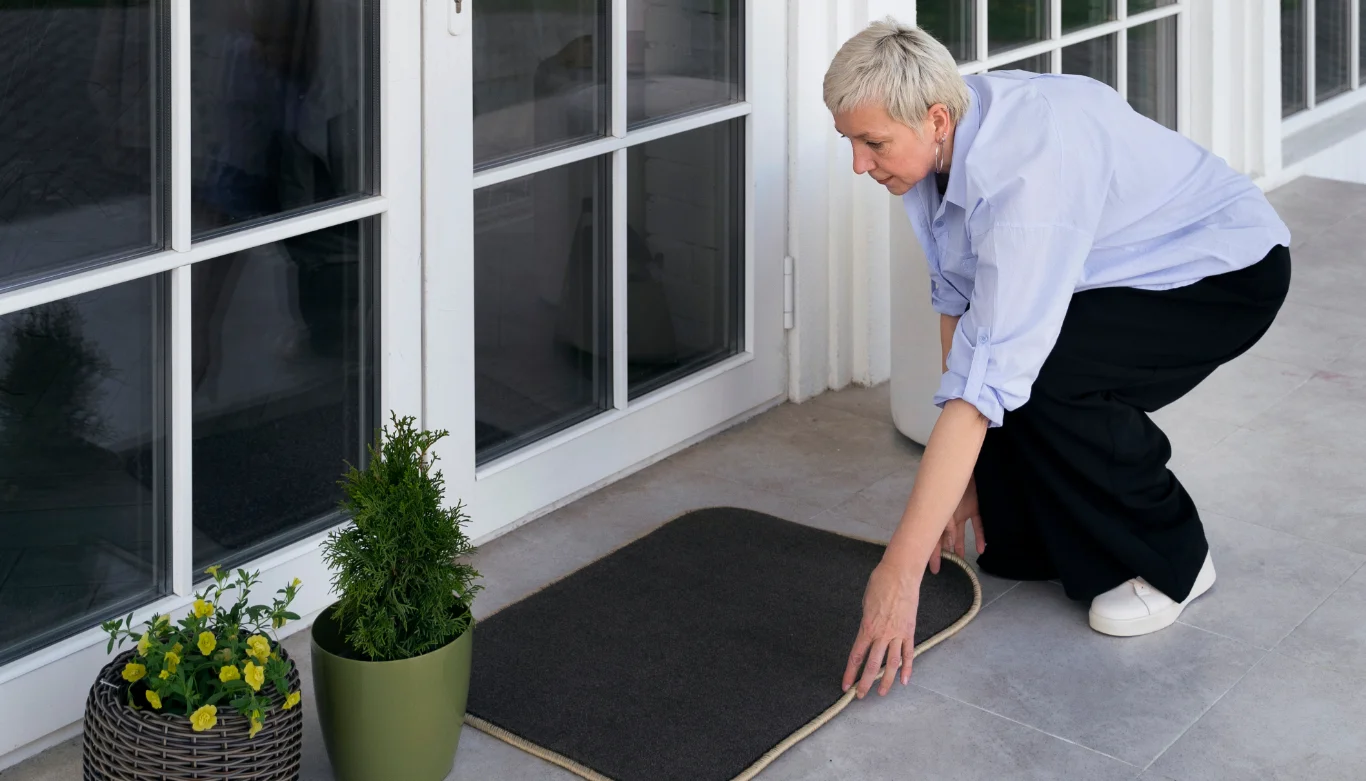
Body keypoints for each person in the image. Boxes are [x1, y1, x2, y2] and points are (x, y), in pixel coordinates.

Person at [824, 20, 1292, 700]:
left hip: (1223, 268)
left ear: (932, 119)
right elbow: (961, 306)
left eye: (872, 143)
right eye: (851, 143)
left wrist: (896, 574)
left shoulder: (1024, 174)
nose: (860, 165)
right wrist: (963, 483)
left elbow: (989, 378)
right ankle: (1039, 538)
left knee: (1049, 375)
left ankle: (1173, 560)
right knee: (1007, 379)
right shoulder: (937, 152)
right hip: (1124, 267)